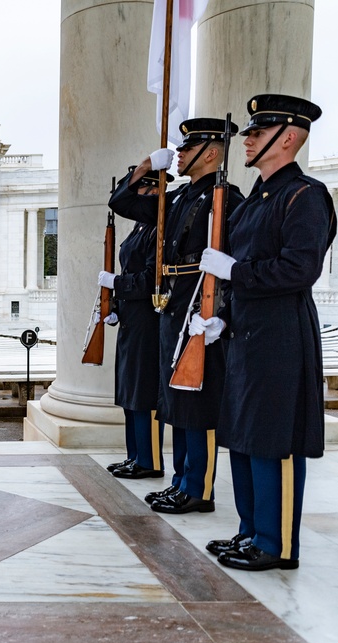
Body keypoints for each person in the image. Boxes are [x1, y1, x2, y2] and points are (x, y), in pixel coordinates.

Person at [197, 94, 336, 570]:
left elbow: (299, 269)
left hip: (280, 337)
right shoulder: (256, 200)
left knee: (273, 440)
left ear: (289, 138)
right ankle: (250, 531)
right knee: (243, 435)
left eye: (259, 131)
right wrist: (223, 316)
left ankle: (276, 544)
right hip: (245, 335)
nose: (249, 139)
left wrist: (236, 273)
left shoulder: (304, 195)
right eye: (250, 131)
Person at [109, 118, 245, 514]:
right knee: (176, 402)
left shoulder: (228, 199)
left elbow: (233, 260)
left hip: (199, 308)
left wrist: (220, 313)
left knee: (196, 401)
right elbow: (123, 202)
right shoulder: (181, 198)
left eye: (188, 149)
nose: (180, 155)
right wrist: (145, 167)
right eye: (180, 149)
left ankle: (199, 488)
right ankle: (181, 481)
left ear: (212, 153)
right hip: (172, 307)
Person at [101, 169, 173, 479]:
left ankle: (150, 460)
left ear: (154, 190)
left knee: (144, 392)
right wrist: (114, 305)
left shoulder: (160, 227)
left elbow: (151, 280)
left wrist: (117, 283)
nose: (137, 198)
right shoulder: (141, 226)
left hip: (148, 317)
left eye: (142, 189)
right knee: (130, 392)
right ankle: (135, 456)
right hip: (132, 317)